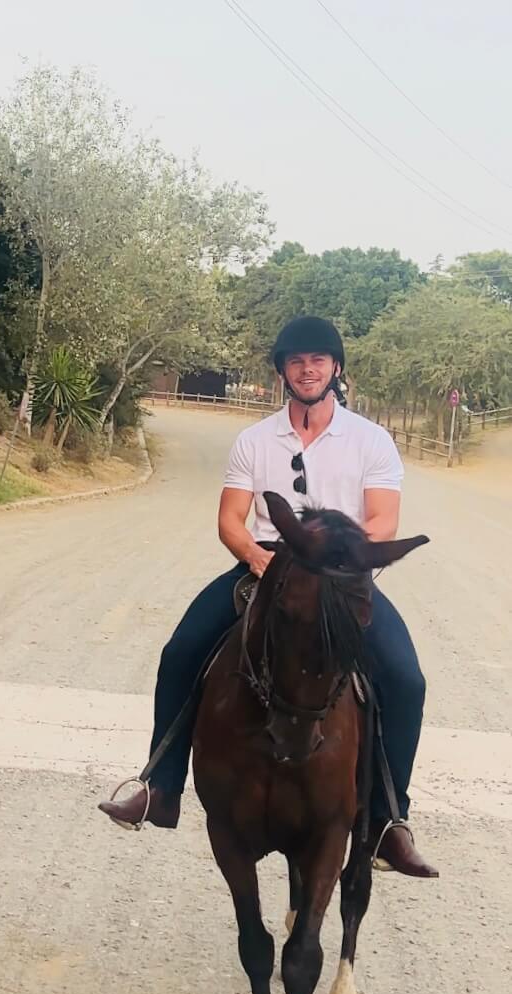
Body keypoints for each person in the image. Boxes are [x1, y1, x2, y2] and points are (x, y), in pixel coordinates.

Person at [99, 316, 438, 878]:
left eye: (318, 360)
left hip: (339, 579)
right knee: (180, 653)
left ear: (335, 368)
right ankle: (159, 787)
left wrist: (337, 563)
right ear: (283, 371)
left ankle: (387, 821)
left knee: (406, 680)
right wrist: (257, 557)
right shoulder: (254, 440)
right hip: (264, 567)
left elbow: (383, 520)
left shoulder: (371, 441)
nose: (308, 370)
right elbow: (231, 519)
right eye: (296, 361)